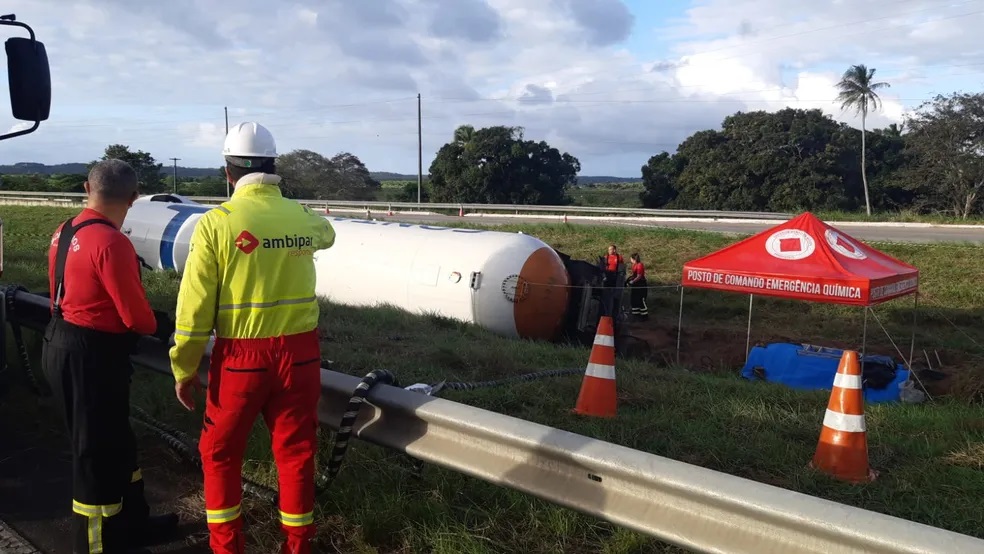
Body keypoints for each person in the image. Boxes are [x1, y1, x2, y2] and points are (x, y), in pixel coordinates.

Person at [168, 121, 337, 553]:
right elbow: (328, 234)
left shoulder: (215, 224)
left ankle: (228, 548)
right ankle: (298, 546)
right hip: (301, 356)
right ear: (274, 166)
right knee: (297, 454)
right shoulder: (302, 217)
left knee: (220, 455)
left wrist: (184, 367)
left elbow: (193, 312)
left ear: (228, 173)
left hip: (242, 359)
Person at [40, 158, 180, 553]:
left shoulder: (64, 231)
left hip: (63, 342)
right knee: (95, 459)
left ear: (87, 188)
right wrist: (167, 325)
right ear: (134, 198)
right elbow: (136, 318)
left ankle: (133, 524)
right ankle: (96, 545)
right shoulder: (113, 242)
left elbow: (60, 294)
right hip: (91, 359)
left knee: (117, 444)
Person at [625, 253, 649, 321]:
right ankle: (636, 314)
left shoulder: (639, 265)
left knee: (640, 299)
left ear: (633, 259)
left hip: (641, 284)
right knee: (634, 298)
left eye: (631, 258)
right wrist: (629, 280)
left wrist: (632, 281)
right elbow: (634, 275)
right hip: (636, 284)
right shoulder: (634, 265)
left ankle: (644, 316)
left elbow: (639, 276)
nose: (630, 260)